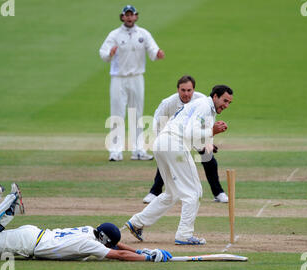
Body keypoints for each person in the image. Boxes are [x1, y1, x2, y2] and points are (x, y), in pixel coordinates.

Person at [0, 177, 172, 262]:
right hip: (28, 243)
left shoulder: (89, 230)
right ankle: (9, 201)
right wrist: (149, 258)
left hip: (33, 235)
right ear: (104, 241)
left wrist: (140, 250)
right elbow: (118, 254)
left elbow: (116, 243)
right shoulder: (90, 245)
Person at [125, 85, 234, 245]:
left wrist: (205, 144)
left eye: (229, 103)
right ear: (215, 96)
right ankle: (184, 235)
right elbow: (190, 133)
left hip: (163, 144)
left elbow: (192, 133)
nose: (226, 105)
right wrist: (212, 131)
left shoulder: (202, 106)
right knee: (193, 192)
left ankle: (137, 223)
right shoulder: (204, 106)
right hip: (174, 144)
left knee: (172, 193)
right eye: (224, 101)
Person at [143, 75, 229, 204]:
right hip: (172, 134)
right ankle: (154, 192)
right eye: (183, 90)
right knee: (168, 159)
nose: (186, 94)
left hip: (194, 134)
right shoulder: (168, 103)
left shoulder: (202, 100)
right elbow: (158, 123)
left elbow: (207, 123)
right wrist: (162, 143)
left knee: (208, 158)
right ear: (178, 89)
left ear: (194, 90)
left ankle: (218, 193)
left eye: (189, 90)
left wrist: (207, 144)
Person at [99, 5, 165, 162]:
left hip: (137, 77)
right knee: (117, 114)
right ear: (122, 17)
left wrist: (157, 53)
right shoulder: (114, 35)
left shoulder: (143, 34)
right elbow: (103, 52)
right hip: (118, 77)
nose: (129, 18)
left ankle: (139, 150)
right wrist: (110, 53)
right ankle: (115, 151)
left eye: (132, 15)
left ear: (136, 16)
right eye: (126, 15)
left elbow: (153, 49)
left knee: (137, 114)